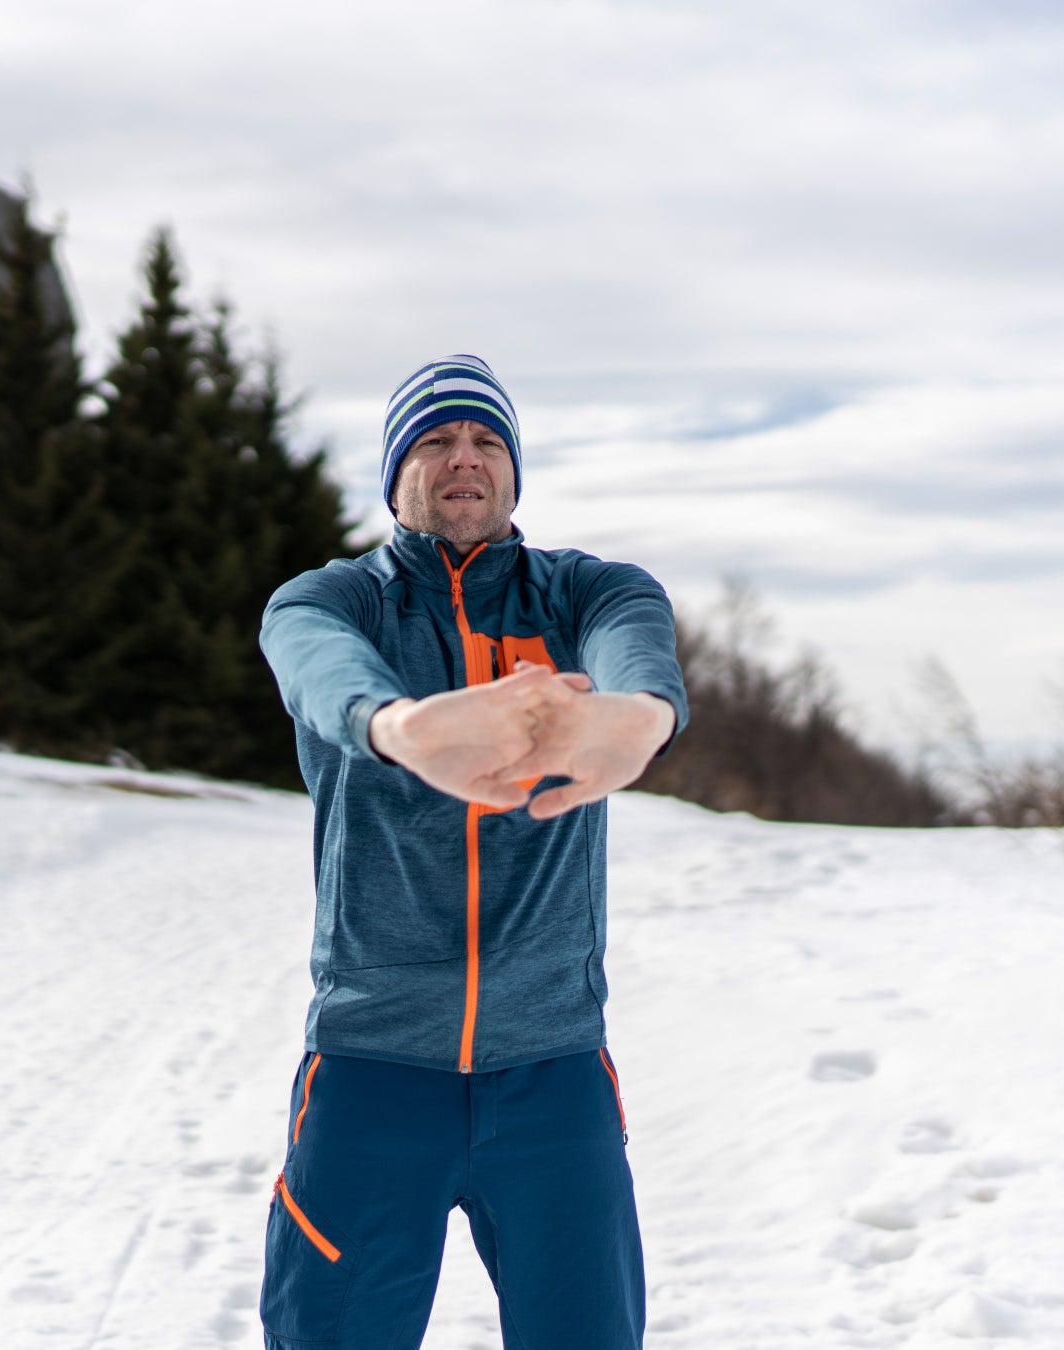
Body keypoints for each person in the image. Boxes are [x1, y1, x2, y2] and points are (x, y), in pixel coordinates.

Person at [256, 354, 688, 1349]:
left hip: (554, 1076)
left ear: (514, 470)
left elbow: (637, 640)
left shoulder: (586, 596)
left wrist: (639, 715)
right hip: (370, 1075)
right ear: (397, 471)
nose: (465, 458)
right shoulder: (334, 601)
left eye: (487, 440)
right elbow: (320, 669)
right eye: (436, 439)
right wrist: (398, 726)